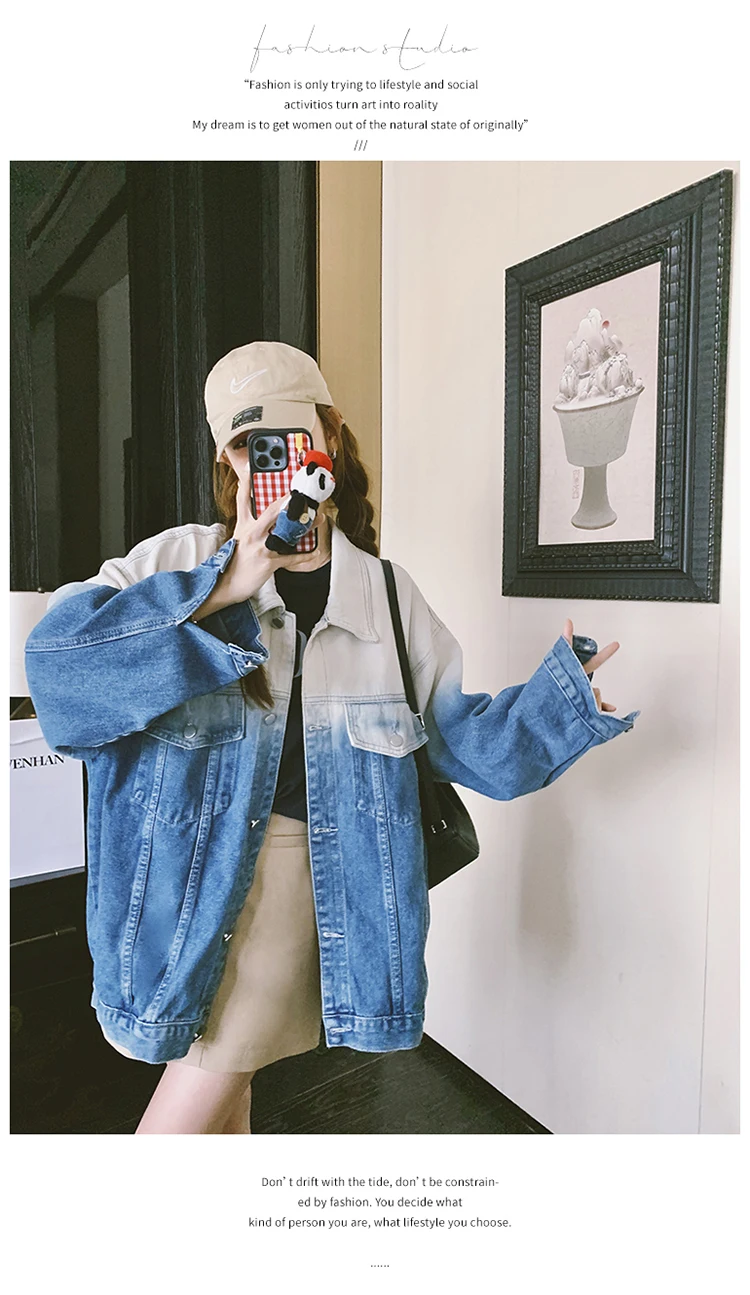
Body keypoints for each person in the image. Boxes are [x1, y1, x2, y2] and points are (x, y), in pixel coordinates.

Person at [25, 341, 640, 1135]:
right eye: (249, 447)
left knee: (192, 1112)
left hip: (297, 894)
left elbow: (459, 741)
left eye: (288, 438)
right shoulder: (176, 561)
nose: (273, 462)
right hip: (184, 897)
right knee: (221, 1105)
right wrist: (223, 587)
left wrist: (560, 706)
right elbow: (60, 673)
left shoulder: (385, 595)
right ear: (229, 462)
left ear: (329, 435)